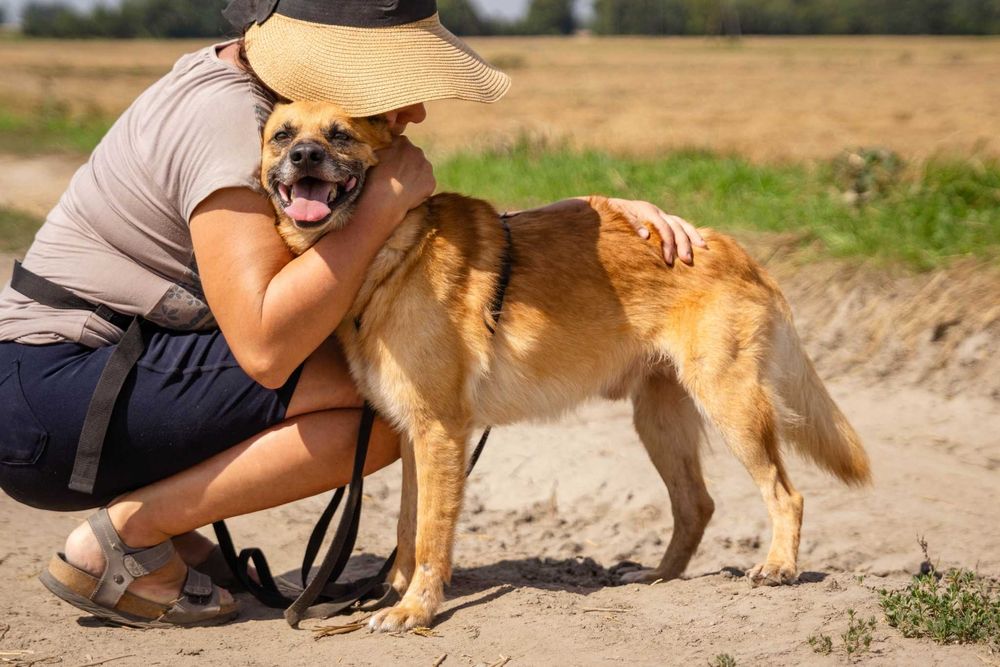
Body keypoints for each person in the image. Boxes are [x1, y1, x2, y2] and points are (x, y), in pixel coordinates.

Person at [0, 0, 704, 627]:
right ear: (330, 63)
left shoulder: (259, 101)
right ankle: (127, 534)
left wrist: (587, 219)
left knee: (391, 366)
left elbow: (428, 257)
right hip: (56, 399)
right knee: (382, 396)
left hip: (74, 378)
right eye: (394, 84)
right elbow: (268, 344)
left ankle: (166, 529)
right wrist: (380, 207)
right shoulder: (232, 121)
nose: (416, 111)